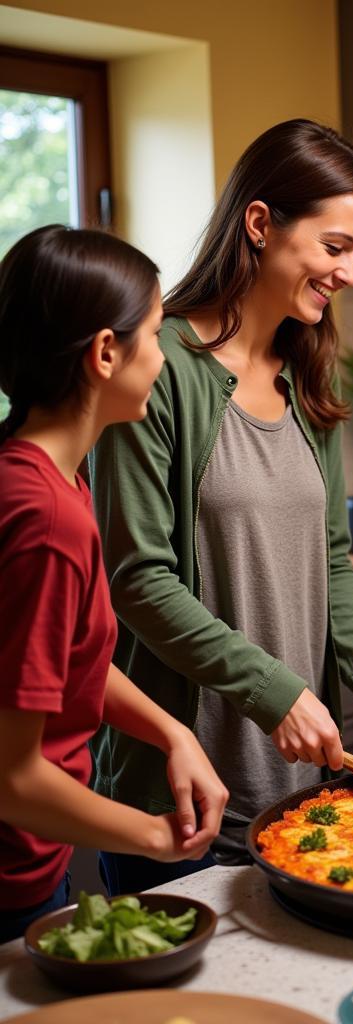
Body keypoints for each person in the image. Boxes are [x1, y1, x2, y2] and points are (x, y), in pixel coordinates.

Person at [89, 119, 353, 896]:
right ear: (259, 224)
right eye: (336, 247)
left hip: (299, 793)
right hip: (185, 800)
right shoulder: (159, 366)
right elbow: (138, 581)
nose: (349, 275)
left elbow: (332, 559)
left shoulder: (305, 373)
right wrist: (276, 692)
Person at [0, 226, 228, 941]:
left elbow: (64, 667)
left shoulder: (47, 477)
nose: (164, 358)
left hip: (37, 863)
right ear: (105, 353)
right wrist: (159, 839)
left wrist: (171, 735)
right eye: (157, 334)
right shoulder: (43, 517)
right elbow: (12, 779)